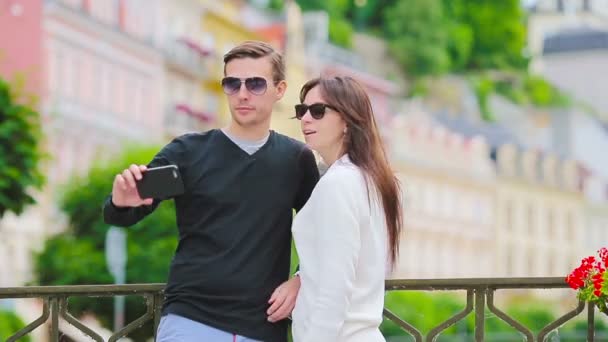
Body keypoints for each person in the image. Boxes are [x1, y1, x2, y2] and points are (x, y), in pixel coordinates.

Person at [102, 41, 319, 342]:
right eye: (232, 84)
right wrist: (121, 201)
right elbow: (122, 214)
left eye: (255, 84)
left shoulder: (296, 160)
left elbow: (323, 235)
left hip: (263, 326)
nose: (242, 94)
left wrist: (300, 280)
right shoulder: (187, 151)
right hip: (190, 321)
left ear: (280, 89)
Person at [290, 76, 403, 342]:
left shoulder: (338, 184)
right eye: (301, 110)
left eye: (318, 111)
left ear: (347, 120)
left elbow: (335, 288)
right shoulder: (368, 179)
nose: (306, 119)